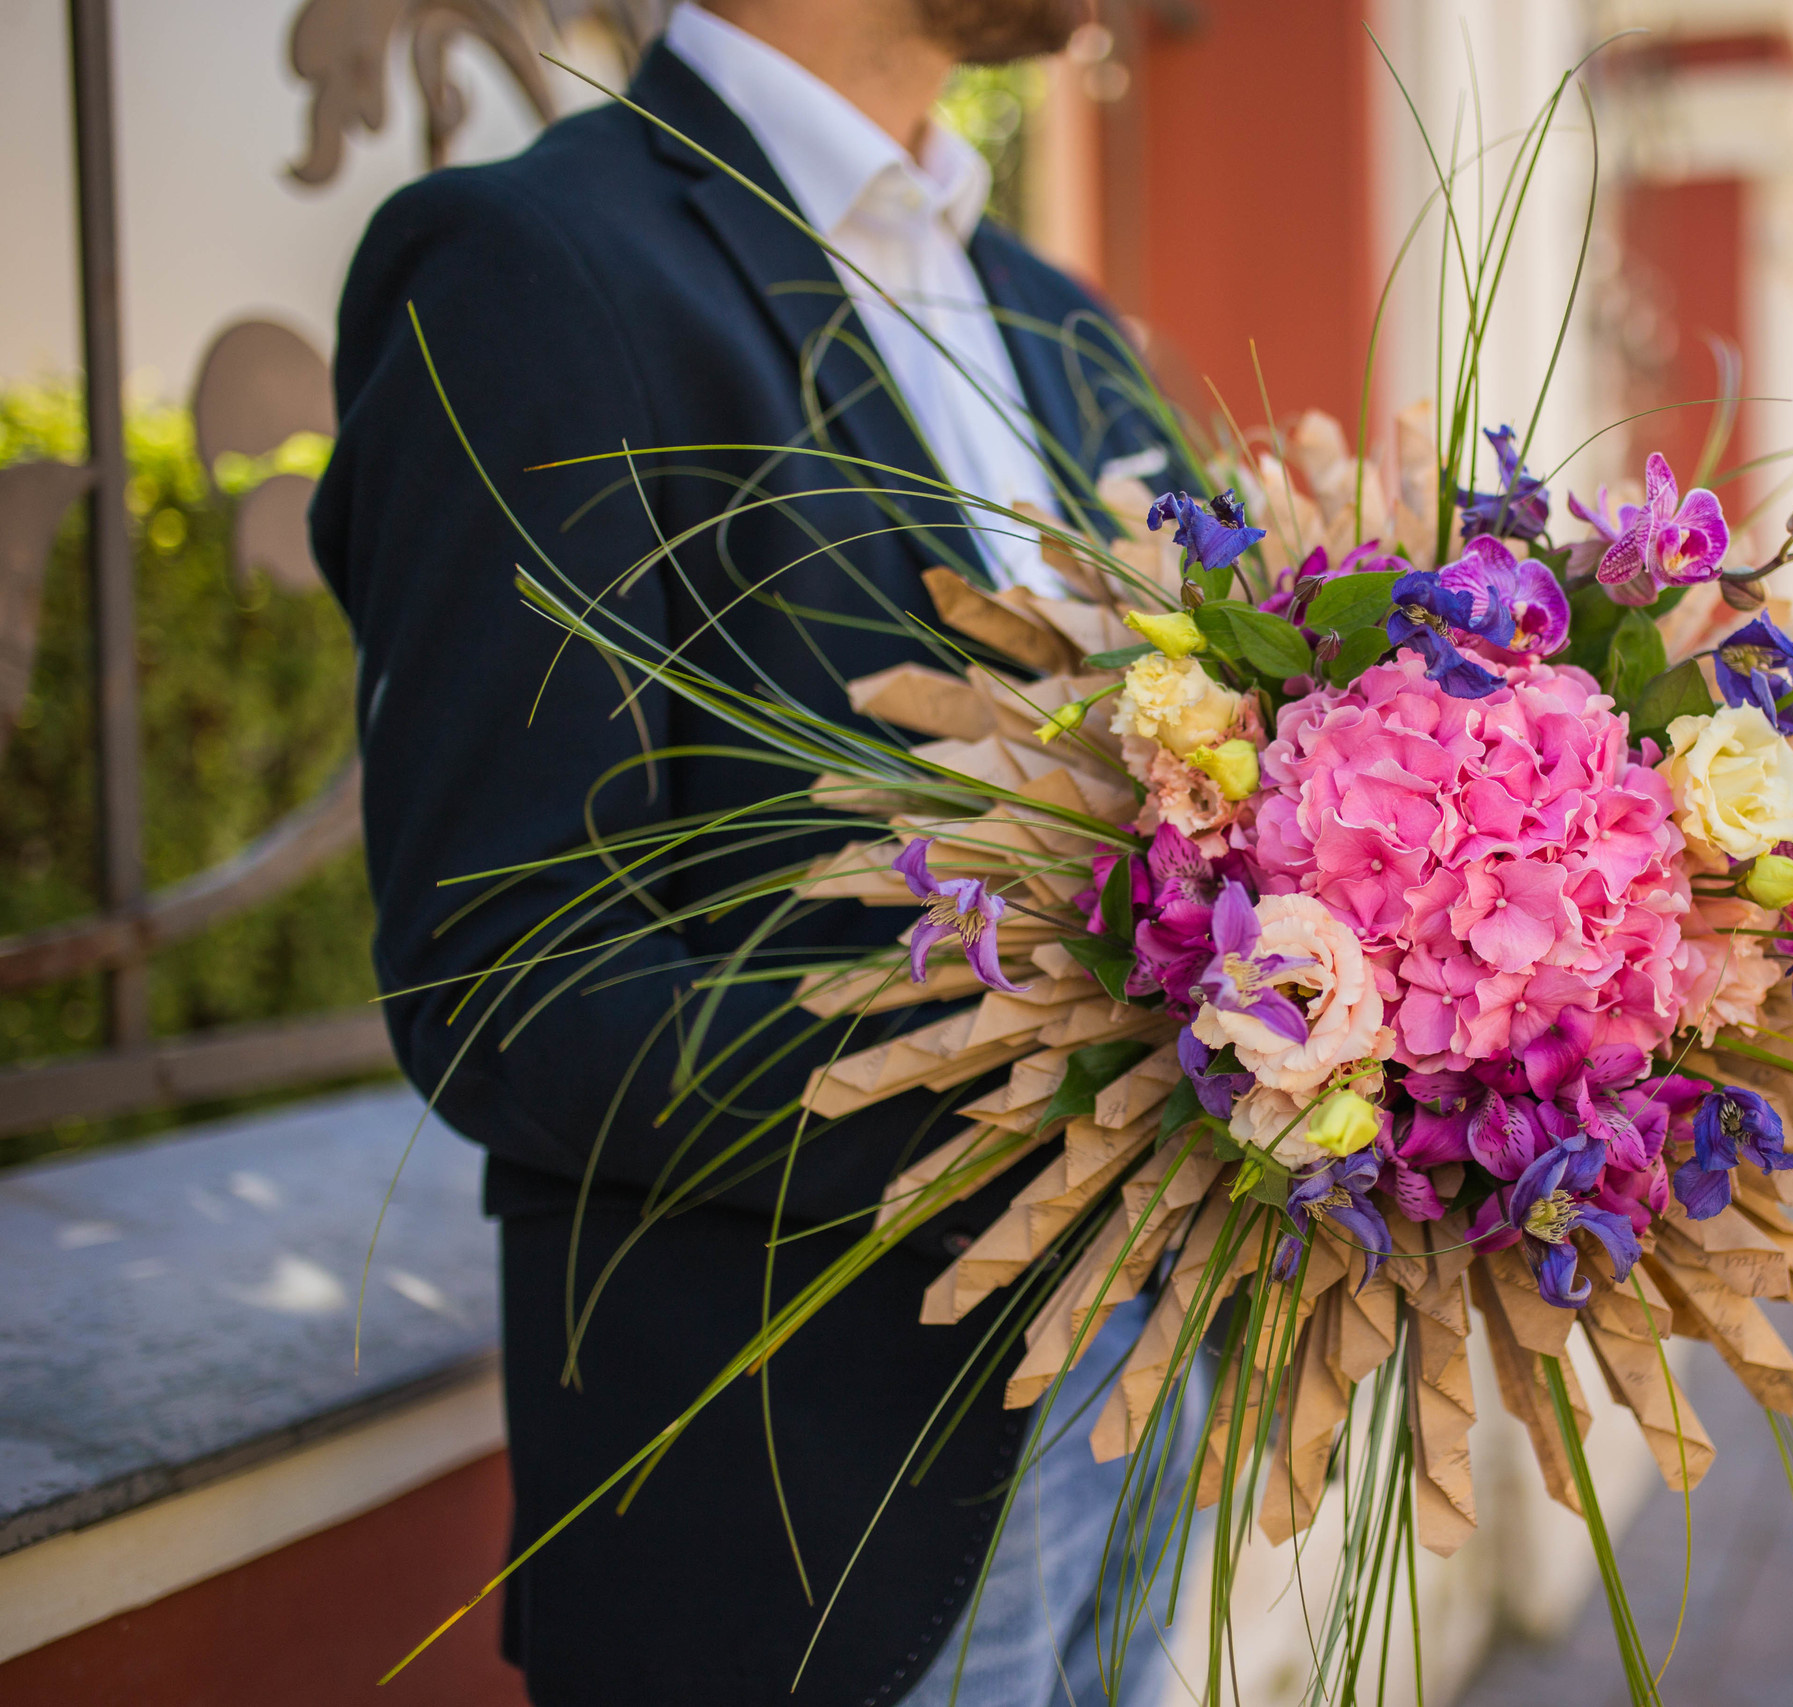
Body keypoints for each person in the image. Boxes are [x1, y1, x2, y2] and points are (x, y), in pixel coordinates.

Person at [309, 3, 1191, 1702]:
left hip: (1146, 1422)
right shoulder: (528, 269)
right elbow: (508, 974)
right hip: (810, 1530)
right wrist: (1047, 1099)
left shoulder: (1059, 319)